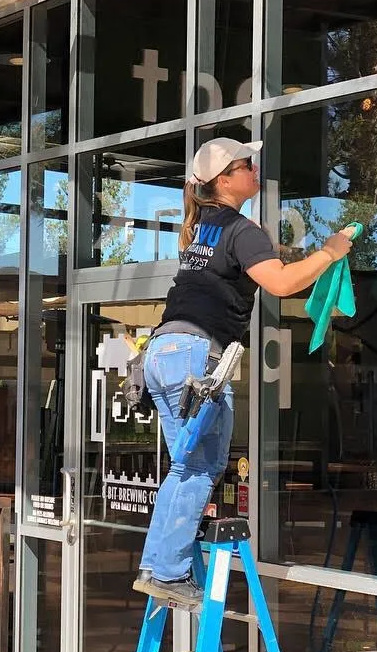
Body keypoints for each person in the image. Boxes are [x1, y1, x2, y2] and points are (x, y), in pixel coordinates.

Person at [133, 137, 354, 606]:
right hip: (197, 356)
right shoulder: (240, 228)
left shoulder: (203, 229)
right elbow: (281, 282)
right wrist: (331, 251)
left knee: (185, 467)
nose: (256, 169)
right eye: (246, 165)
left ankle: (158, 566)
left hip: (163, 352)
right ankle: (168, 572)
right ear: (225, 179)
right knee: (199, 466)